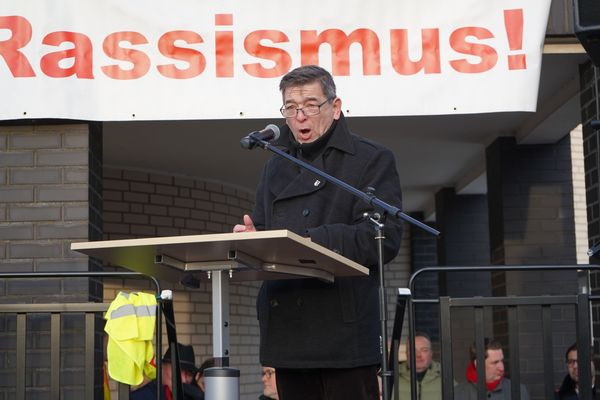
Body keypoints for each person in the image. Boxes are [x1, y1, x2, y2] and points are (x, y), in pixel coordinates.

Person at [233, 65, 404, 400]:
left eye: (311, 105)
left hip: (343, 330)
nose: (300, 116)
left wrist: (312, 241)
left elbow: (382, 238)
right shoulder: (275, 164)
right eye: (291, 108)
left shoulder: (371, 159)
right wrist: (253, 239)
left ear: (335, 107)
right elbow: (266, 229)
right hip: (288, 330)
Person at [453, 338, 529, 400]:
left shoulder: (519, 391)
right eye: (495, 362)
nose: (502, 368)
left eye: (501, 361)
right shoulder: (457, 394)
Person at [130, 342, 203, 400]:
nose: (183, 380)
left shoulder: (194, 396)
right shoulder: (141, 397)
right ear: (162, 367)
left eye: (189, 374)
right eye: (177, 371)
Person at [397, 332, 442, 400]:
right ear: (406, 353)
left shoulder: (445, 379)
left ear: (431, 353)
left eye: (424, 350)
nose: (418, 355)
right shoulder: (393, 380)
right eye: (413, 350)